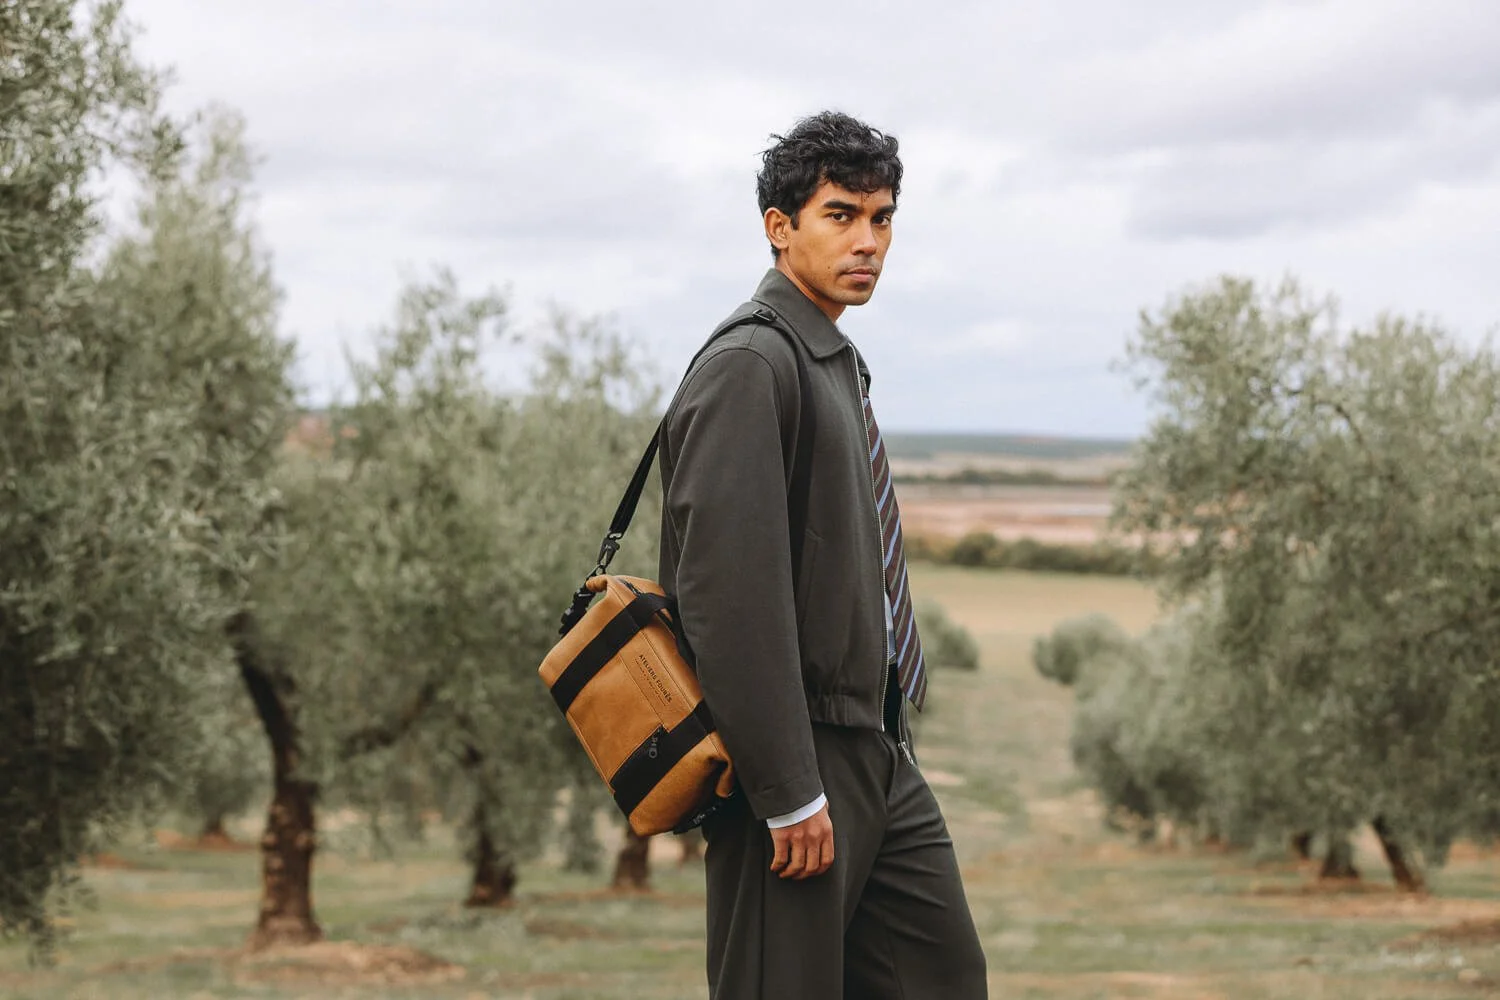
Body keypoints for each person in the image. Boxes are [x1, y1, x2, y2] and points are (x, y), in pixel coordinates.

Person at [658, 111, 988, 999]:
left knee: (942, 976)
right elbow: (726, 597)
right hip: (798, 759)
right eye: (841, 215)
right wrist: (787, 787)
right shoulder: (752, 365)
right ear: (779, 226)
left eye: (882, 219)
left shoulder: (831, 358)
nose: (869, 241)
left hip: (874, 745)